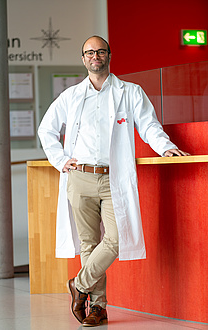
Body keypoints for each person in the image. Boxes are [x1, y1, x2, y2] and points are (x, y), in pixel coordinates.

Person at [38, 35, 189, 327]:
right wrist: (60, 160)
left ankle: (79, 284)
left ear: (109, 55)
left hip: (112, 177)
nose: (95, 56)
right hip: (79, 176)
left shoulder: (129, 92)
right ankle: (98, 308)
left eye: (100, 51)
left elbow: (149, 125)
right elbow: (47, 130)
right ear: (83, 59)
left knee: (117, 238)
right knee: (88, 244)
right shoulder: (70, 96)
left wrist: (165, 146)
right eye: (89, 52)